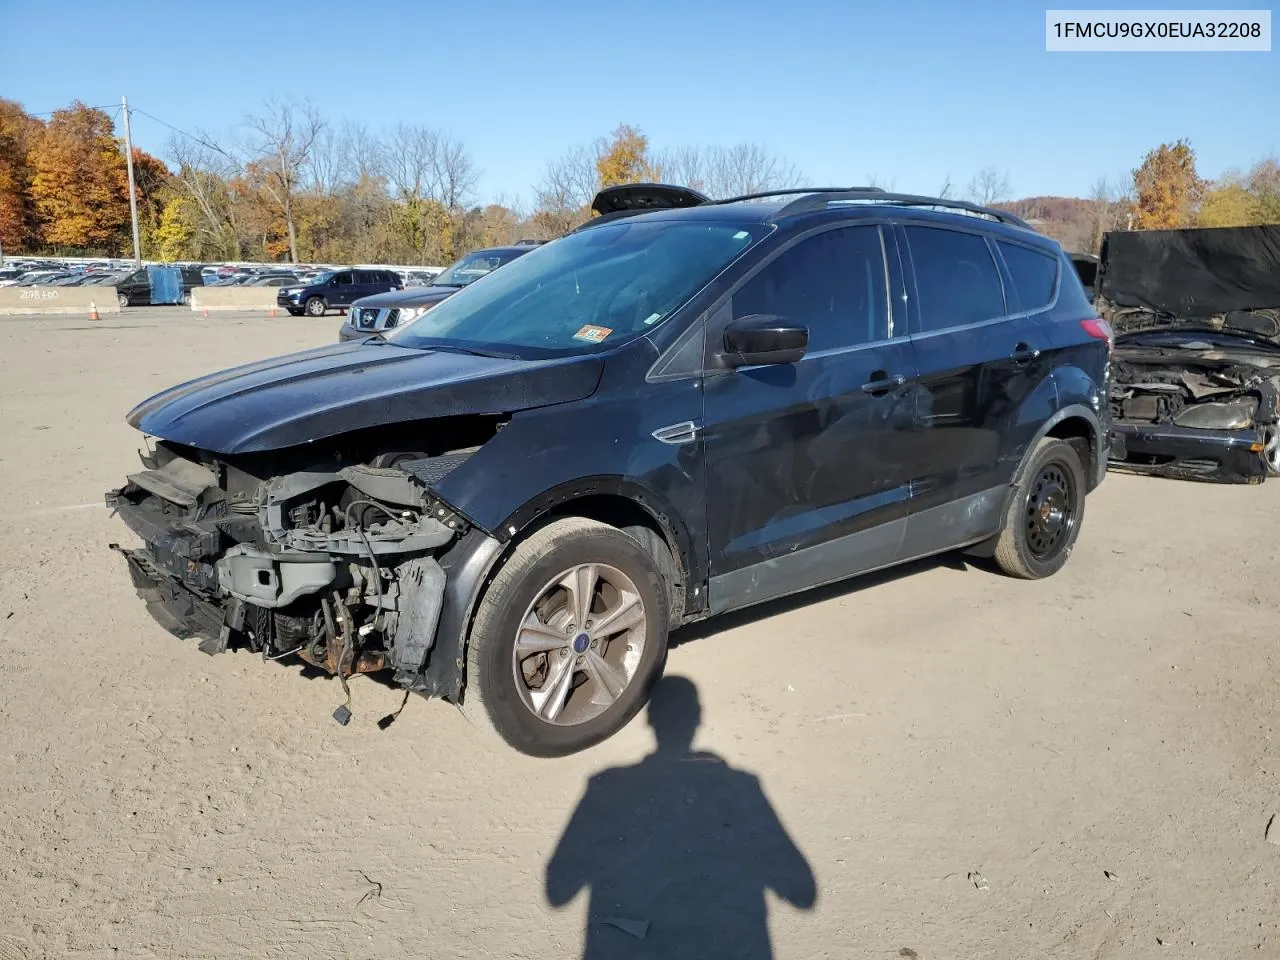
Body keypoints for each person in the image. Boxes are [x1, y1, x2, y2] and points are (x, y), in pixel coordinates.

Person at [546, 675, 816, 959]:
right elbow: (803, 893)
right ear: (698, 720)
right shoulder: (742, 787)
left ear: (648, 721)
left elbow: (558, 892)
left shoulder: (605, 787)